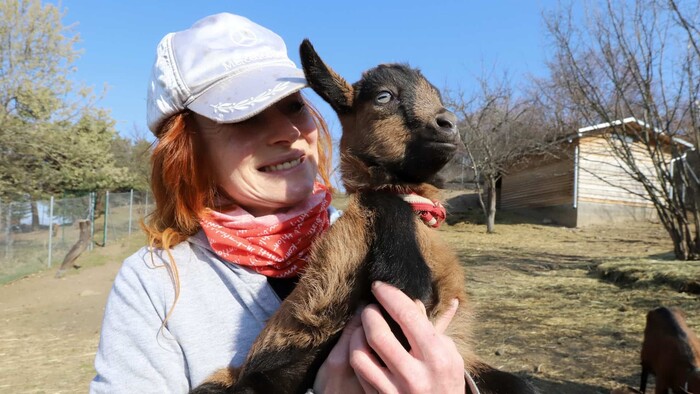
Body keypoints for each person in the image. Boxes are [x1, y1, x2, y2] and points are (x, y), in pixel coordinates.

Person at [90, 12, 466, 393]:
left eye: (293, 106)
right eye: (245, 116)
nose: (289, 133)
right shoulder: (157, 284)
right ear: (187, 149)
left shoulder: (384, 226)